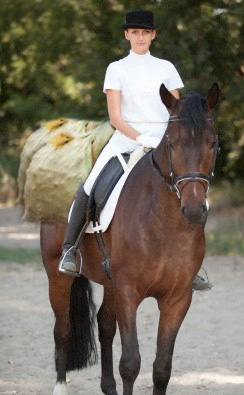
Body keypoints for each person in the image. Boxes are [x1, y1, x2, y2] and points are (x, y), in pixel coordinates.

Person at [58, 10, 212, 292]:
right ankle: (71, 250)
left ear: (153, 35)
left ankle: (192, 263)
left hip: (165, 142)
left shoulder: (166, 68)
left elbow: (176, 111)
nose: (140, 37)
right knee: (91, 186)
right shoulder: (116, 69)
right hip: (126, 140)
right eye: (135, 32)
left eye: (145, 32)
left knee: (192, 189)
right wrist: (142, 138)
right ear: (127, 35)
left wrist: (165, 139)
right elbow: (116, 117)